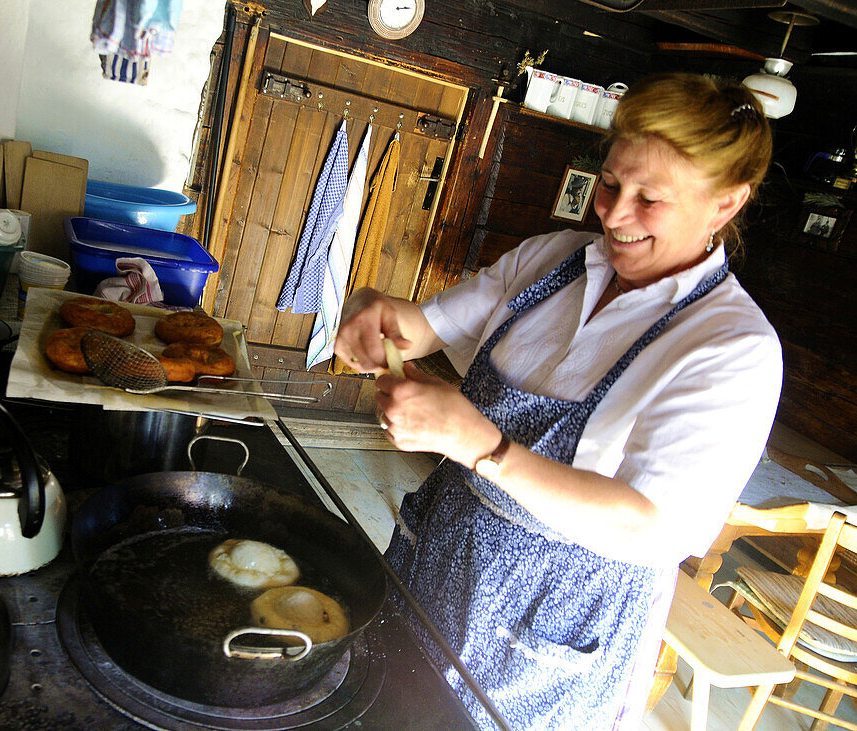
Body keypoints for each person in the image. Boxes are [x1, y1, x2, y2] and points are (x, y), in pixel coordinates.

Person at [334, 73, 782, 730]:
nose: (612, 212)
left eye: (649, 198)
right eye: (609, 183)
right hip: (443, 545)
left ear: (726, 204)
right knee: (384, 703)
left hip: (555, 617)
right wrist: (370, 310)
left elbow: (652, 527)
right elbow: (419, 327)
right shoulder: (555, 260)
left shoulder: (731, 348)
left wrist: (480, 444)